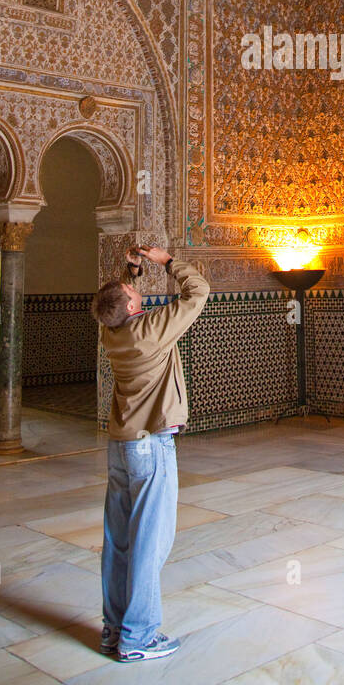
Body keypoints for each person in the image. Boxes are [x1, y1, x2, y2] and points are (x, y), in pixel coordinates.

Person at [92, 245, 209, 663]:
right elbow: (198, 292)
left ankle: (114, 627)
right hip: (151, 445)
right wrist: (165, 260)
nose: (131, 289)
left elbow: (117, 305)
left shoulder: (112, 331)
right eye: (130, 288)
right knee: (150, 541)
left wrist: (133, 270)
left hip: (120, 445)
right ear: (130, 304)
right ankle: (139, 636)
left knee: (119, 538)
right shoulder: (151, 329)